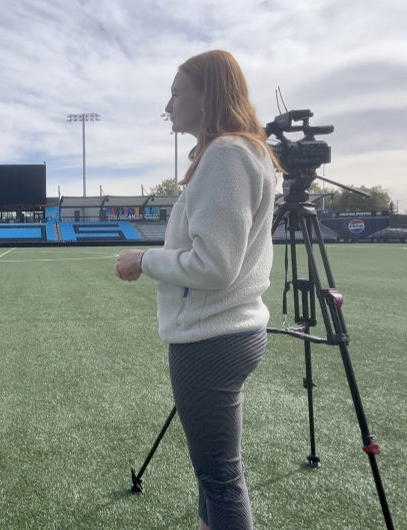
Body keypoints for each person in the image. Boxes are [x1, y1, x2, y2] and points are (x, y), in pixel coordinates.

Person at [115, 50, 280, 530]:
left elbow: (214, 265)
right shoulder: (241, 150)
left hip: (211, 339)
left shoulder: (227, 154)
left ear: (207, 94)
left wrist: (143, 260)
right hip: (230, 331)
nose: (168, 105)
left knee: (220, 481)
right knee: (217, 476)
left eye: (176, 92)